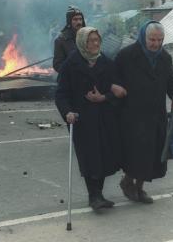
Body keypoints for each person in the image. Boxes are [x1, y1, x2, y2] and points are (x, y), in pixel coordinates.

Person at [55, 26, 126, 211]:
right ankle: (93, 196)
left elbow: (118, 90)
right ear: (82, 42)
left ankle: (99, 194)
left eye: (97, 40)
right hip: (81, 118)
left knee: (103, 156)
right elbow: (61, 94)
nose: (95, 44)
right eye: (90, 40)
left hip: (104, 116)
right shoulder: (71, 64)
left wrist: (104, 97)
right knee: (89, 157)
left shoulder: (107, 63)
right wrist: (67, 112)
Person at [115, 21, 173, 204]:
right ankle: (128, 182)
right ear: (143, 37)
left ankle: (139, 187)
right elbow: (113, 76)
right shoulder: (127, 55)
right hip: (133, 114)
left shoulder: (165, 58)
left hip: (156, 114)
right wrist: (114, 88)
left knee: (152, 154)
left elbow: (171, 81)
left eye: (159, 40)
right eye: (152, 39)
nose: (155, 44)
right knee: (136, 153)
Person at [53, 5, 86, 73]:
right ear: (69, 21)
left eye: (80, 19)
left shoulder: (87, 37)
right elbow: (57, 65)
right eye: (75, 19)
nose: (79, 22)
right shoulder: (61, 40)